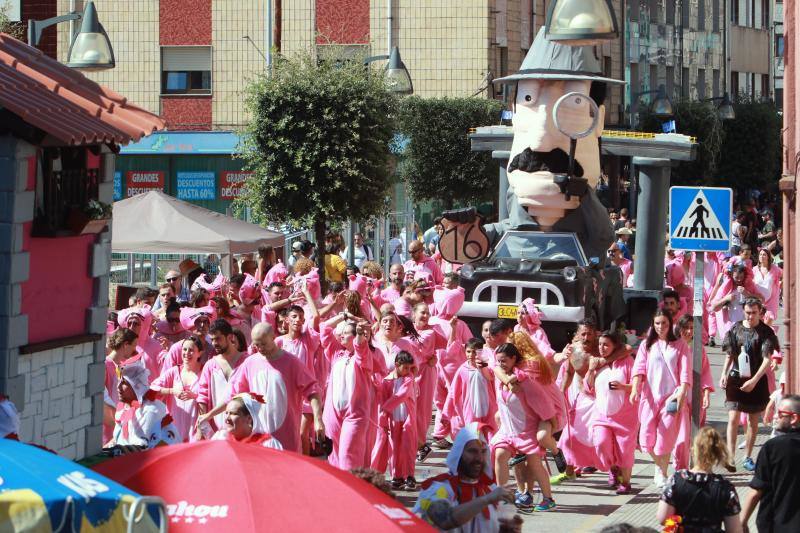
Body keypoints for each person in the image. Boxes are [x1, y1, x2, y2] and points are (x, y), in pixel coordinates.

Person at [202, 322, 324, 453]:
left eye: (263, 344)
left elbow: (313, 390)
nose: (259, 348)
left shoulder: (291, 362)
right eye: (256, 344)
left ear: (273, 338)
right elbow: (232, 394)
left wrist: (318, 419)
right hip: (259, 438)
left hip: (287, 439)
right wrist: (210, 414)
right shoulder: (250, 363)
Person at [491, 343, 558, 512]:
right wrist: (507, 378)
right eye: (499, 361)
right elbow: (494, 369)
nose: (501, 364)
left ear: (514, 359)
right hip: (508, 431)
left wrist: (553, 426)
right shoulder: (501, 376)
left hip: (527, 430)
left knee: (535, 465)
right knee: (500, 455)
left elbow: (544, 404)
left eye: (504, 360)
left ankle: (548, 498)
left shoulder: (526, 381)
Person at [414, 423, 514, 532]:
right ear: (458, 453)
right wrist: (486, 500)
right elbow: (444, 520)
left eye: (483, 451)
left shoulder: (490, 489)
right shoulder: (438, 488)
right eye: (472, 451)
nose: (479, 458)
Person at [630, 310, 691, 488]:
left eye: (664, 323)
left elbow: (686, 372)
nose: (661, 327)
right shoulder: (647, 345)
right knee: (645, 440)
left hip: (671, 398)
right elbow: (639, 369)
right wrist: (635, 389)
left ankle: (662, 473)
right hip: (649, 398)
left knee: (664, 439)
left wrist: (682, 392)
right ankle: (659, 466)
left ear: (670, 324)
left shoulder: (680, 345)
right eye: (657, 323)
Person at [720, 298, 779, 472]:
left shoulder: (766, 332)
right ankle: (730, 457)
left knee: (753, 420)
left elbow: (767, 359)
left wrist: (754, 381)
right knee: (733, 417)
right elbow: (730, 353)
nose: (750, 316)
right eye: (747, 312)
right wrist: (724, 373)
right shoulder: (736, 328)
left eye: (754, 312)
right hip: (736, 377)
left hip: (757, 379)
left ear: (760, 312)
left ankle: (747, 456)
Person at [657, 426, 743, 533]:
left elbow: (662, 518)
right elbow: (734, 529)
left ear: (693, 451)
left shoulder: (675, 480)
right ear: (717, 454)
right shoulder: (725, 488)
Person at [320, 314, 375, 470]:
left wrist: (359, 334)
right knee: (334, 455)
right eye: (341, 332)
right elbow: (324, 328)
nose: (341, 334)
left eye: (346, 332)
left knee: (349, 454)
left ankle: (352, 488)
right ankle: (339, 490)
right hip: (332, 414)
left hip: (355, 415)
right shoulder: (336, 354)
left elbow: (361, 348)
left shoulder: (362, 357)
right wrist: (344, 315)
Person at [740, 394, 800, 533]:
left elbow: (756, 490)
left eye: (780, 413)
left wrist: (742, 522)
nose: (774, 416)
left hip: (776, 525)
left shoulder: (773, 448)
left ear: (794, 418)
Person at [588, 331, 637, 494]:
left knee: (625, 450)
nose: (602, 348)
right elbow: (588, 388)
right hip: (601, 415)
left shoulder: (628, 361)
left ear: (615, 346)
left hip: (625, 417)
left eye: (606, 345)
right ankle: (612, 467)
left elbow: (639, 387)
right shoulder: (596, 363)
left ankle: (626, 482)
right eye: (600, 344)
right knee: (601, 443)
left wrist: (623, 387)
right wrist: (590, 370)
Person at [371, 351, 419, 490]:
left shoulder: (409, 378)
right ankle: (396, 476)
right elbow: (383, 396)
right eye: (405, 368)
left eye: (410, 368)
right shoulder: (387, 380)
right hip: (394, 418)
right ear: (397, 365)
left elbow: (401, 395)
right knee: (394, 447)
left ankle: (409, 475)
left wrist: (385, 409)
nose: (408, 371)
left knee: (408, 446)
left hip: (407, 417)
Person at [195, 320, 248, 439]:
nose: (214, 343)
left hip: (244, 430)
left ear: (230, 337)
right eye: (212, 339)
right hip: (217, 431)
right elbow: (203, 397)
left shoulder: (247, 361)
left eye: (218, 339)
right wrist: (202, 426)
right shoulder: (210, 365)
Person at [109, 364, 179, 449]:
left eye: (124, 383)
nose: (118, 387)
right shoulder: (125, 409)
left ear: (137, 387)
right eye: (119, 381)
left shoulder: (150, 411)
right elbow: (119, 440)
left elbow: (142, 449)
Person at [212, 393, 283, 449]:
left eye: (233, 413)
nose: (227, 419)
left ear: (249, 419)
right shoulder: (220, 438)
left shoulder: (267, 444)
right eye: (226, 413)